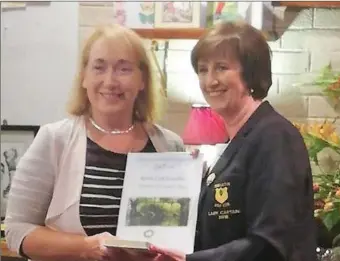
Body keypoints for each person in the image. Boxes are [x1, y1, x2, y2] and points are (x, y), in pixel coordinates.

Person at [5, 24, 186, 261]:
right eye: (99, 68)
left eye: (124, 69)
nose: (110, 81)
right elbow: (17, 231)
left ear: (142, 80)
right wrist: (85, 247)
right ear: (84, 77)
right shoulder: (54, 140)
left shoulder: (170, 146)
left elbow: (180, 234)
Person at [150, 21, 317, 261]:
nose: (210, 81)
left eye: (221, 68)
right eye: (203, 69)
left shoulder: (275, 137)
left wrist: (189, 260)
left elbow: (270, 242)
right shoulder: (238, 140)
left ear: (251, 74)